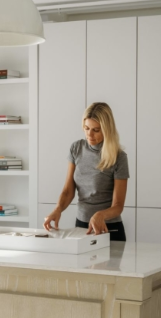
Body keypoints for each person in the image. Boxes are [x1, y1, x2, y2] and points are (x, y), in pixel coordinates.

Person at [43, 102, 129, 241]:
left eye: (96, 130)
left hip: (109, 229)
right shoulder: (77, 148)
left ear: (107, 130)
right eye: (86, 128)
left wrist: (100, 215)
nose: (89, 134)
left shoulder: (118, 157)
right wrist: (58, 209)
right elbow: (68, 190)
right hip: (81, 227)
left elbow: (118, 206)